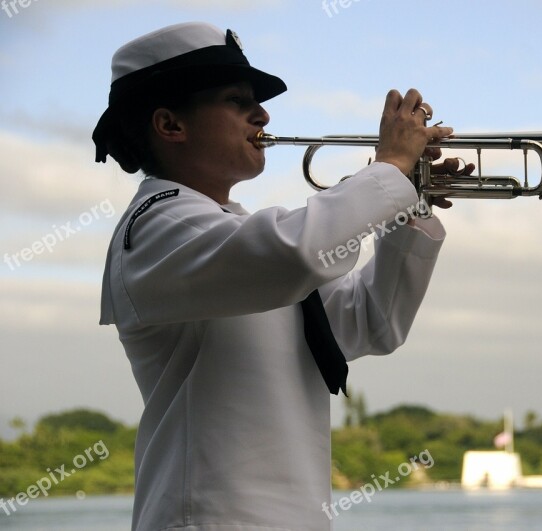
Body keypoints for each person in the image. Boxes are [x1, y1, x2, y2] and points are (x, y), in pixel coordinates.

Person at [93, 22, 467, 530]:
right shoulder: (158, 224)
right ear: (170, 124)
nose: (263, 114)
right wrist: (390, 170)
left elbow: (372, 322)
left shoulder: (235, 234)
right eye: (236, 99)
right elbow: (299, 252)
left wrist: (409, 204)